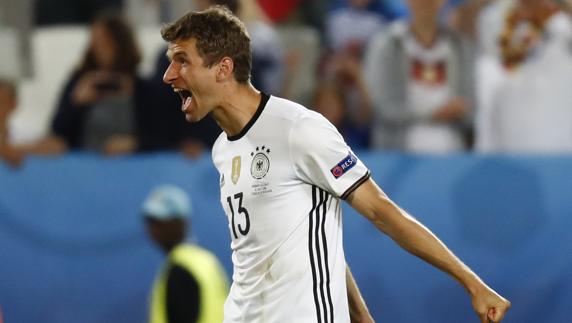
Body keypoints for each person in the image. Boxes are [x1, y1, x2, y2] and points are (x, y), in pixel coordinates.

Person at [161, 6, 511, 322]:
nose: (169, 75)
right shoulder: (223, 149)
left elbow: (382, 212)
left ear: (223, 68)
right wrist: (361, 316)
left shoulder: (298, 129)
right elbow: (307, 237)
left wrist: (471, 283)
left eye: (182, 60)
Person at [364, 0, 475, 153]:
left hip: (452, 151)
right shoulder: (387, 44)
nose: (425, 3)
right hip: (399, 152)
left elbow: (470, 103)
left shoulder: (459, 46)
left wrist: (462, 111)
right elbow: (382, 106)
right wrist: (433, 114)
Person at [143, 184, 228, 323]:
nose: (153, 229)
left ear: (182, 223)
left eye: (161, 221)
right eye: (151, 221)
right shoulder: (206, 260)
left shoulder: (179, 269)